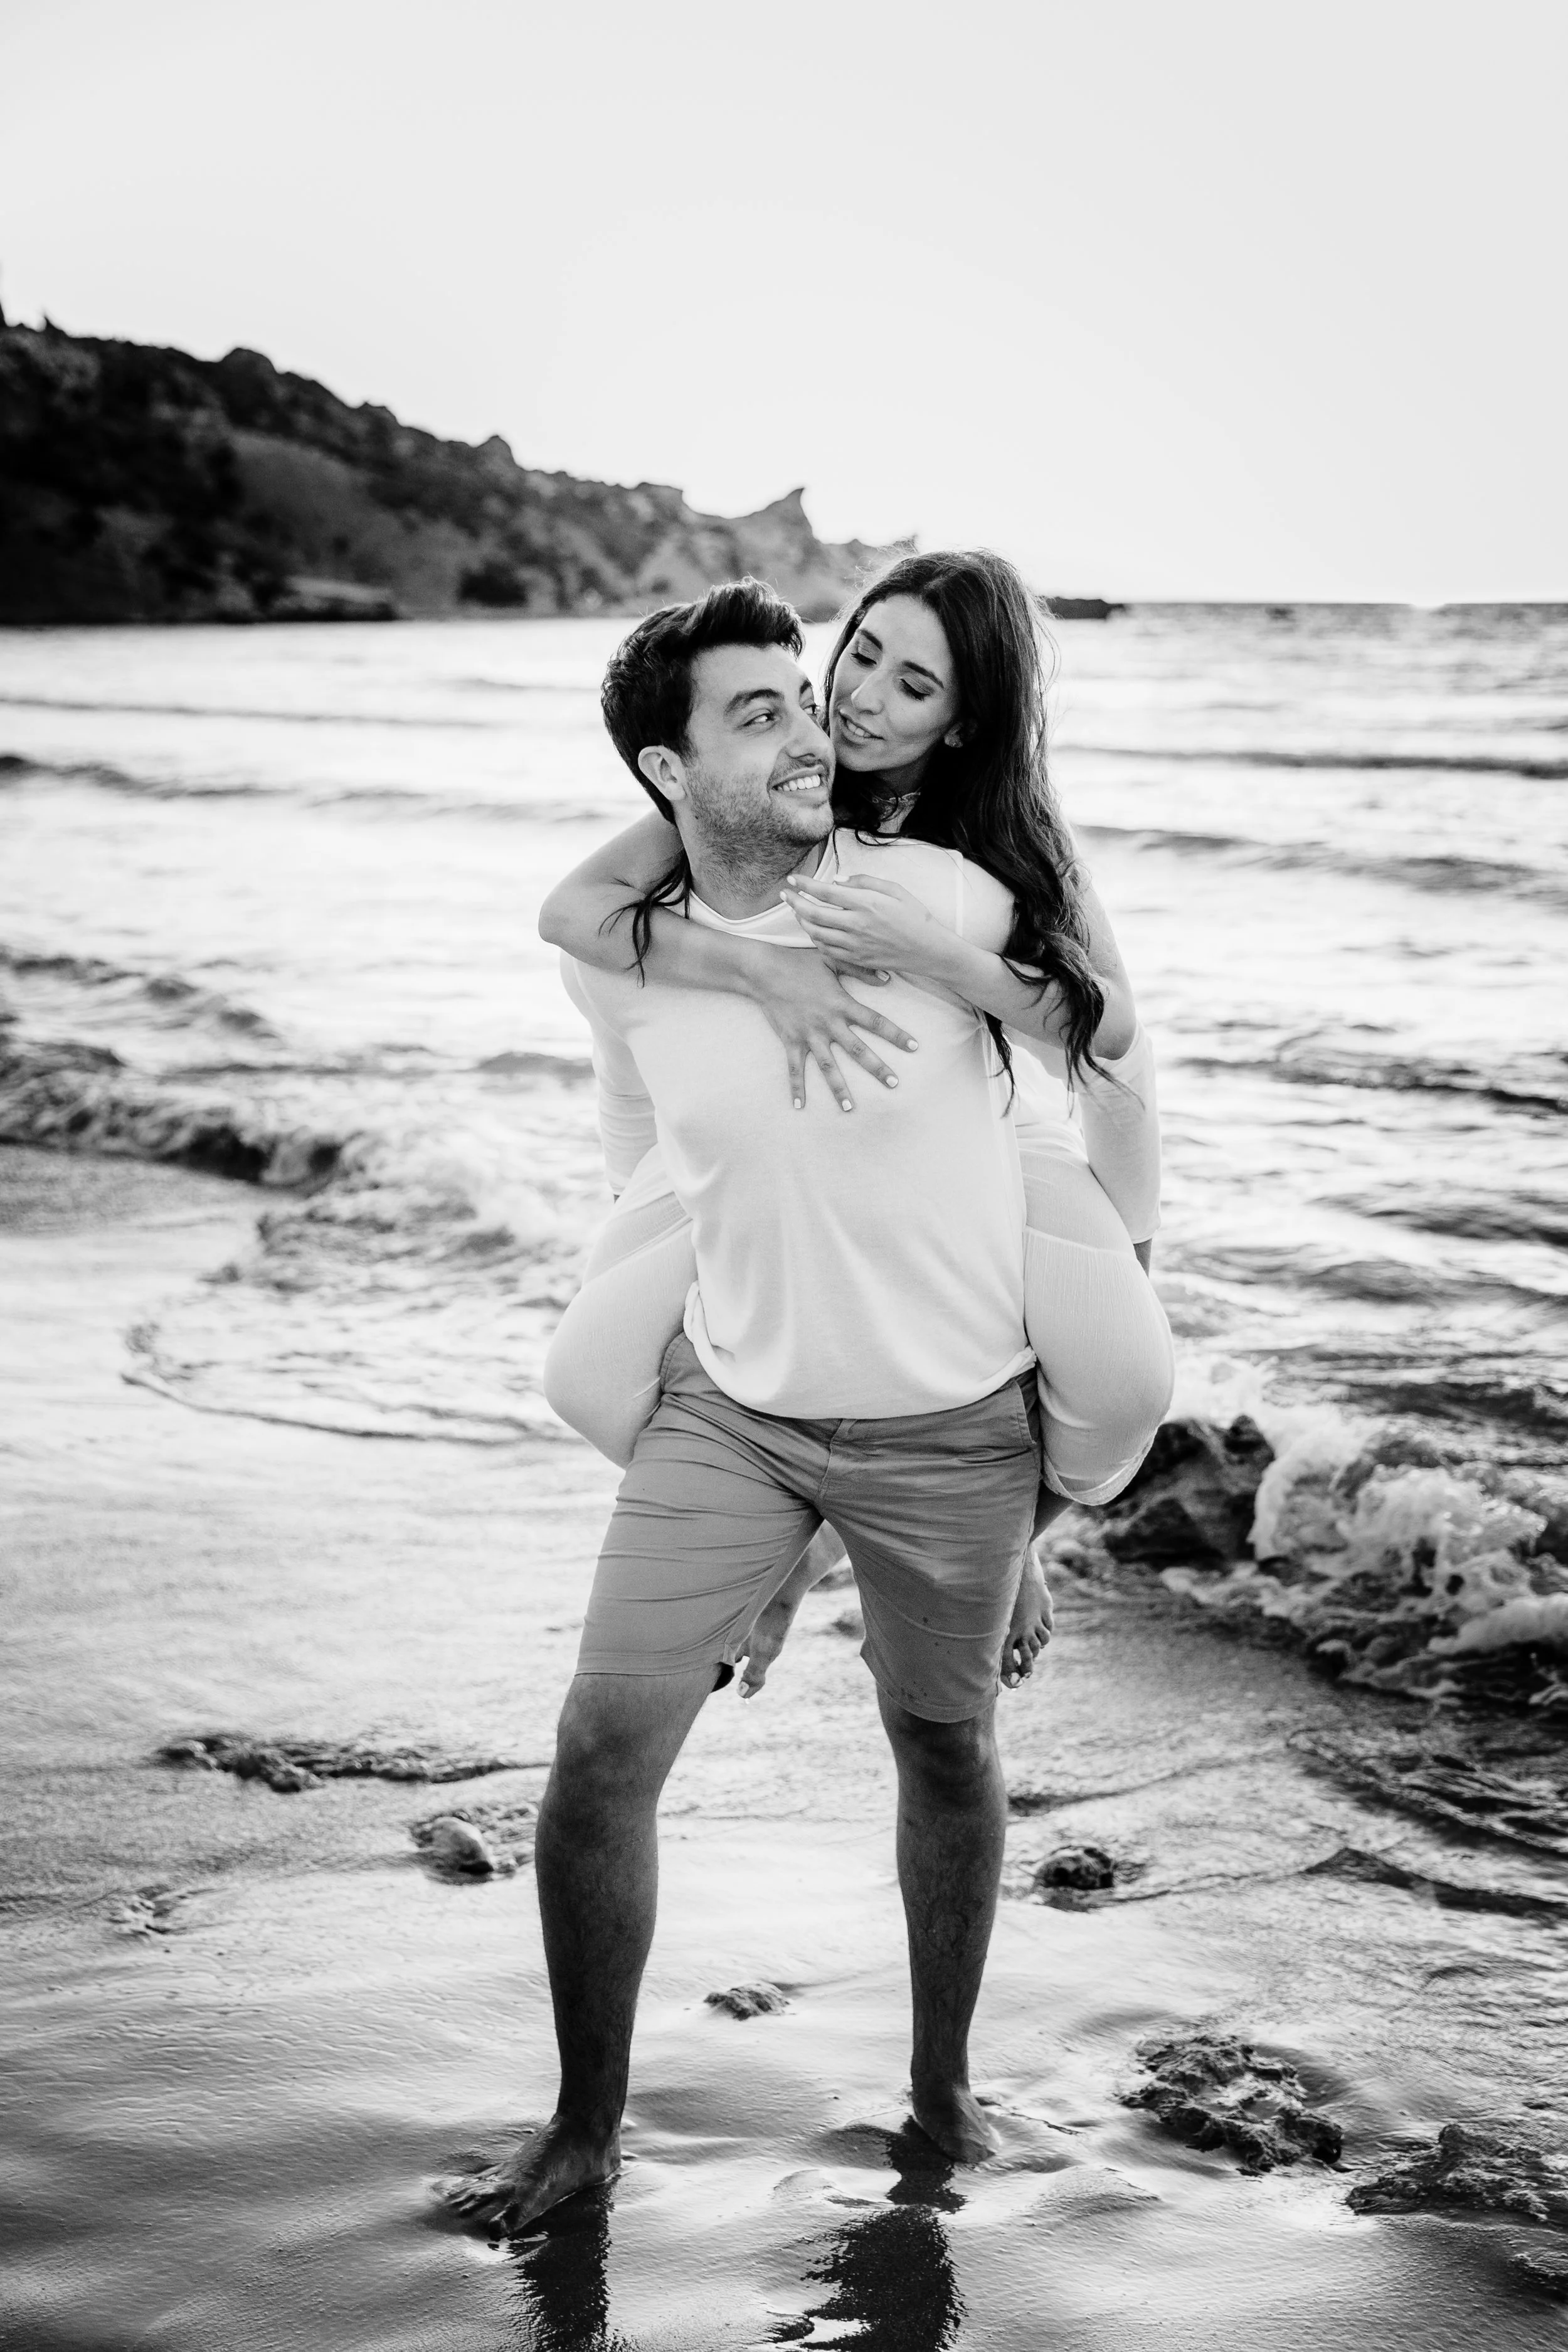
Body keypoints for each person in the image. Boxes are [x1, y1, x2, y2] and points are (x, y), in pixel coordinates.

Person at [443, 581, 1064, 2235]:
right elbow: (639, 1147)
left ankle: (938, 2089)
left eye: (815, 693)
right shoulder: (632, 962)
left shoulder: (928, 895)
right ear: (667, 768)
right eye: (760, 710)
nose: (815, 727)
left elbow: (1073, 1149)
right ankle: (583, 2125)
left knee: (943, 1741)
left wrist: (1046, 1503)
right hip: (734, 1405)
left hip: (949, 1423)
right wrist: (735, 965)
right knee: (596, 1747)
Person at [538, 549, 1173, 1691]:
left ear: (967, 722)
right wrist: (755, 973)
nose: (863, 701)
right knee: (585, 1374)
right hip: (775, 1151)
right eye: (861, 655)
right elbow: (576, 912)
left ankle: (1004, 1548)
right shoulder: (784, 767)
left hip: (986, 1136)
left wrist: (1129, 1256)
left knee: (1126, 1376)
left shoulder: (1011, 844)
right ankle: (786, 1538)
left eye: (913, 687)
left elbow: (1112, 1041)